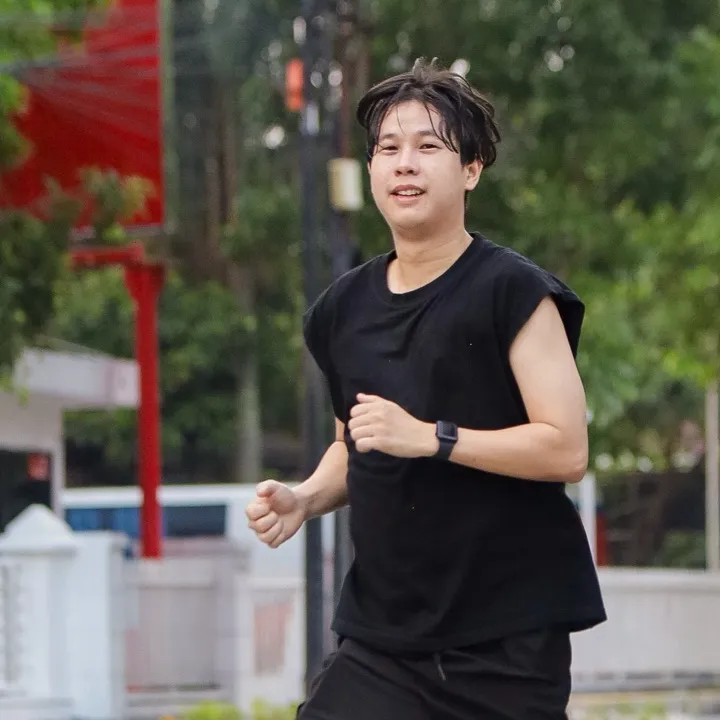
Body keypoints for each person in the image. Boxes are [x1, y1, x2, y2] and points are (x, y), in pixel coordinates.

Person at [245, 57, 606, 720]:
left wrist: (433, 438)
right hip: (383, 639)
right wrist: (305, 498)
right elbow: (356, 443)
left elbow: (566, 448)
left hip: (506, 641)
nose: (404, 164)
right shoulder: (342, 310)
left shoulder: (513, 292)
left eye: (428, 147)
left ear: (471, 169)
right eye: (388, 149)